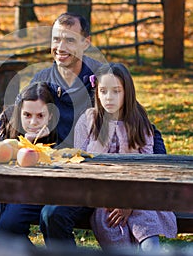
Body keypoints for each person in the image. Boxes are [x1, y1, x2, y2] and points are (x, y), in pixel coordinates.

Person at [0, 12, 167, 244]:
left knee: (51, 215)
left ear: (86, 42)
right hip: (46, 176)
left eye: (70, 40)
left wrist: (138, 193)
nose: (60, 47)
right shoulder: (43, 78)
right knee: (1, 223)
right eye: (56, 39)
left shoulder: (100, 80)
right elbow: (15, 116)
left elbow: (142, 126)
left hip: (86, 182)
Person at [72, 63, 177, 251]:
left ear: (127, 92)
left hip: (138, 194)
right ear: (96, 92)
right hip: (102, 196)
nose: (109, 98)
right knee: (113, 228)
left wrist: (130, 202)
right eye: (103, 91)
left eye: (116, 91)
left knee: (148, 235)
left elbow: (148, 167)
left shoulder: (139, 122)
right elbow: (78, 162)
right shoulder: (88, 120)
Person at [0, 82, 58, 236]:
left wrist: (30, 144)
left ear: (49, 115)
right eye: (27, 115)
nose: (33, 122)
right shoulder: (4, 123)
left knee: (7, 227)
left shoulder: (55, 135)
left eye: (40, 116)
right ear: (19, 112)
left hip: (31, 192)